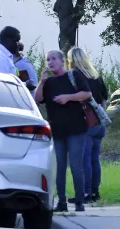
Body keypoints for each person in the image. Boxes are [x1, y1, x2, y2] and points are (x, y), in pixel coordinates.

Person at [34, 49, 91, 213]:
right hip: (57, 130)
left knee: (75, 166)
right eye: (47, 60)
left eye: (53, 59)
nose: (50, 62)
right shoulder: (49, 82)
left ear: (62, 61)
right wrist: (42, 82)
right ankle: (61, 202)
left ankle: (80, 201)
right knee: (59, 167)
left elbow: (86, 94)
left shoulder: (74, 76)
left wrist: (68, 97)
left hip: (76, 128)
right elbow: (38, 99)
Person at [67, 46, 109, 203]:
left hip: (86, 121)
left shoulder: (75, 76)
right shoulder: (96, 76)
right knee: (94, 159)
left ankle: (86, 193)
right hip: (100, 121)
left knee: (84, 158)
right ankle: (95, 192)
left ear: (71, 60)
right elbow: (104, 99)